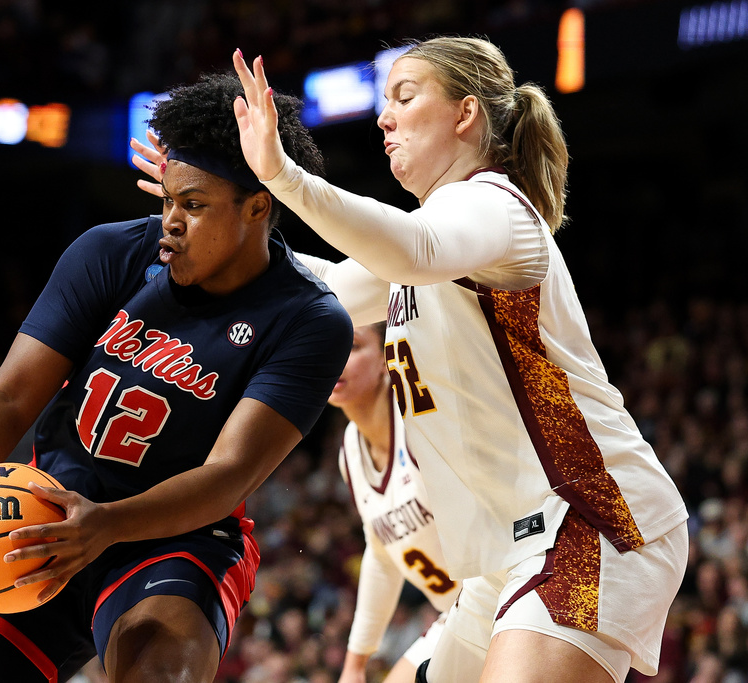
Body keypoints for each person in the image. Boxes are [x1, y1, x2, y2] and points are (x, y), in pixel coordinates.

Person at [230, 38, 689, 683]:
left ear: (465, 114)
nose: (383, 118)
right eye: (382, 102)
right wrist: (219, 225)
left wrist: (282, 175)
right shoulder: (423, 248)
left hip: (589, 519)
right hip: (510, 549)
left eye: (404, 96)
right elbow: (319, 290)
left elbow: (411, 248)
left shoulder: (494, 205)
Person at [0, 72, 352, 683]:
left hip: (177, 539)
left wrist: (107, 525)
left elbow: (226, 476)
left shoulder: (310, 320)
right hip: (46, 517)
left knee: (158, 674)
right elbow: (10, 397)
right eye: (167, 200)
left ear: (257, 205)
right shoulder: (110, 252)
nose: (170, 221)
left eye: (193, 206)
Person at [328, 322, 459, 683]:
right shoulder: (350, 451)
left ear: (389, 354)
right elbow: (382, 556)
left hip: (507, 596)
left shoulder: (422, 416)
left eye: (352, 346)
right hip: (460, 614)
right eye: (329, 343)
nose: (335, 356)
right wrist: (355, 664)